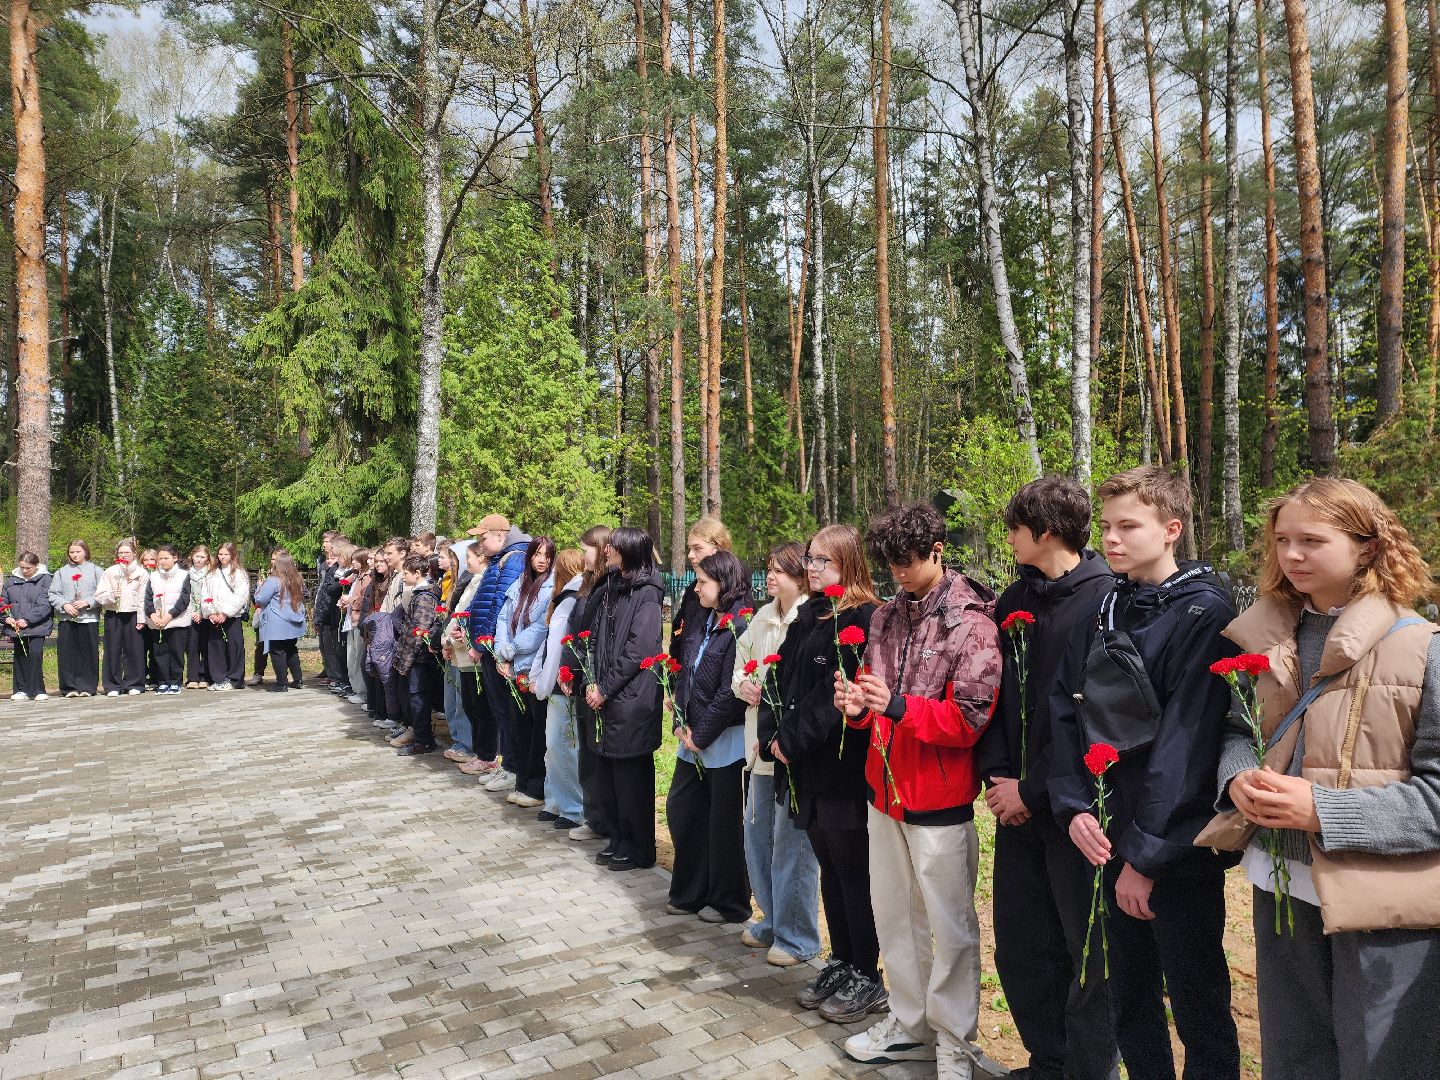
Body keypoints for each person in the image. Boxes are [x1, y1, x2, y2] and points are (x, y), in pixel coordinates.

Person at [1205, 478, 1440, 1080]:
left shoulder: (1423, 651)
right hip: (1282, 888)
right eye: (1282, 540)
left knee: (1381, 1062)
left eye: (1312, 540)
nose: (1291, 555)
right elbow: (1239, 730)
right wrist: (1238, 779)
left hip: (1382, 903)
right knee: (1294, 1058)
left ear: (1367, 546)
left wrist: (1324, 811)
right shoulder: (1266, 634)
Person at [1049, 465, 1241, 1080]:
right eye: (1105, 527)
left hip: (1174, 848)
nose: (1110, 539)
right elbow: (1064, 708)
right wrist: (1074, 805)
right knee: (1129, 999)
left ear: (1171, 529)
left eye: (1128, 526)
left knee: (1196, 1004)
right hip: (1105, 831)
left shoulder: (1205, 614)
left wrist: (1145, 859)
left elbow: (1186, 744)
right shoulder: (1106, 603)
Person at [834, 503, 1003, 1077]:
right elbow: (872, 692)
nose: (899, 573)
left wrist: (898, 707)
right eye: (890, 564)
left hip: (939, 798)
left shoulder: (971, 621)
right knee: (894, 918)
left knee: (949, 927)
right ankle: (909, 1026)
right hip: (883, 791)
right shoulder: (885, 617)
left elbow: (971, 719)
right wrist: (857, 708)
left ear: (937, 550)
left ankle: (955, 1042)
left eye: (908, 562)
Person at [974, 477, 1118, 1080]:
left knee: (1082, 950)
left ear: (1047, 532)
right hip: (1017, 808)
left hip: (1077, 812)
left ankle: (1088, 1070)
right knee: (1023, 945)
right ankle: (1047, 1062)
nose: (1007, 537)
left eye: (1014, 527)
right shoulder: (1015, 600)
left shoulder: (1105, 600)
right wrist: (998, 778)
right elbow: (996, 697)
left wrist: (1035, 792)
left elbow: (1098, 719)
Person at [760, 524, 882, 1025]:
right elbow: (778, 677)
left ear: (849, 565)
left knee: (853, 871)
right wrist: (772, 732)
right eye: (809, 559)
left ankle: (867, 974)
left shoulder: (863, 618)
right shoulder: (810, 614)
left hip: (839, 767)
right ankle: (843, 958)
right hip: (803, 767)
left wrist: (789, 740)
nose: (811, 569)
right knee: (828, 867)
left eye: (822, 561)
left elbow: (835, 694)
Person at [732, 541, 820, 967]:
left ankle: (798, 936)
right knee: (758, 841)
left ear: (800, 576)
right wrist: (742, 685)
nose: (771, 576)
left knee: (793, 848)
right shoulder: (761, 619)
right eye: (768, 569)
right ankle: (770, 919)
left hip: (788, 751)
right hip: (757, 748)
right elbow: (741, 664)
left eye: (781, 570)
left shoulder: (809, 618)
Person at [665, 549, 752, 923]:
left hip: (723, 742)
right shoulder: (703, 617)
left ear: (724, 584)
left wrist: (701, 734)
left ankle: (728, 902)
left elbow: (730, 691)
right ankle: (690, 891)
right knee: (684, 812)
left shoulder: (740, 625)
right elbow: (688, 671)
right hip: (693, 737)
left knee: (723, 826)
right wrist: (679, 715)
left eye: (702, 582)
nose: (696, 589)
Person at [585, 526, 665, 872]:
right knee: (611, 779)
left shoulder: (647, 591)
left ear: (629, 551)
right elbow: (601, 638)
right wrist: (594, 682)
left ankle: (639, 848)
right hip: (608, 694)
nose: (606, 551)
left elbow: (639, 649)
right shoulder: (614, 586)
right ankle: (619, 840)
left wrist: (606, 687)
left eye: (613, 547)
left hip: (631, 699)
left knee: (632, 780)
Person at [466, 515, 533, 793]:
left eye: (483, 536)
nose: (480, 542)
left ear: (499, 535)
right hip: (489, 645)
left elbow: (499, 606)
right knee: (499, 710)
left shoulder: (514, 559)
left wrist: (483, 643)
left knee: (506, 713)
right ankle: (507, 765)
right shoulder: (499, 559)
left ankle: (512, 768)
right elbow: (481, 600)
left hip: (498, 647)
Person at [494, 537, 557, 807]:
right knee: (518, 729)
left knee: (536, 732)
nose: (541, 559)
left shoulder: (553, 587)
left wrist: (509, 650)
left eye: (547, 555)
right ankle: (521, 781)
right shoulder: (519, 583)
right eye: (537, 554)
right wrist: (500, 651)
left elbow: (541, 628)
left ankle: (535, 787)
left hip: (532, 667)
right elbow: (502, 619)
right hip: (512, 665)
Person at [529, 547, 587, 828]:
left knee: (561, 745)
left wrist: (543, 681)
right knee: (554, 747)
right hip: (554, 683)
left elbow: (557, 649)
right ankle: (555, 801)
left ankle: (573, 808)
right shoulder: (565, 599)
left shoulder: (570, 599)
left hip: (560, 684)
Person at [562, 525, 613, 841]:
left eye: (588, 548)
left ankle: (604, 819)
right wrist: (568, 671)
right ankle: (593, 817)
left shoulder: (607, 587)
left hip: (597, 680)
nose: (583, 555)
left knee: (598, 755)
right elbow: (573, 630)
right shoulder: (586, 584)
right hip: (580, 677)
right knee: (586, 754)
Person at [389, 553, 442, 756]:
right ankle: (421, 737)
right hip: (413, 657)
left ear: (417, 573)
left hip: (418, 659)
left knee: (419, 700)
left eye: (406, 573)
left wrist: (406, 660)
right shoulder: (419, 594)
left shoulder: (425, 597)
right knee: (413, 700)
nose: (403, 577)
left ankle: (423, 741)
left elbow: (418, 631)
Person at [670, 517, 732, 658]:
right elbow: (679, 629)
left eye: (697, 548)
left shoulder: (736, 587)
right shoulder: (693, 589)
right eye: (689, 549)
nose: (690, 555)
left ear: (718, 547)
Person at [49, 540, 103, 698]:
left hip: (89, 618)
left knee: (88, 653)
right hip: (67, 619)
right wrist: (64, 605)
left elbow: (104, 593)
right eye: (72, 552)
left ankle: (88, 686)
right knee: (67, 654)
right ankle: (69, 687)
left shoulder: (96, 570)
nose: (74, 555)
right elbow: (53, 594)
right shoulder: (61, 572)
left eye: (78, 551)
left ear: (85, 551)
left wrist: (88, 602)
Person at [95, 538, 147, 696]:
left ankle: (135, 683)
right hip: (114, 614)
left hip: (133, 615)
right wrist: (112, 595)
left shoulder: (141, 572)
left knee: (134, 649)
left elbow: (144, 598)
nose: (124, 555)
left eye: (127, 553)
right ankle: (112, 685)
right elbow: (99, 596)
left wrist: (142, 618)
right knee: (113, 649)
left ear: (134, 554)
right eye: (121, 553)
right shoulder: (110, 571)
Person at [253, 550, 308, 692]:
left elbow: (260, 599)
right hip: (293, 621)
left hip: (277, 622)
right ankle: (298, 680)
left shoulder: (273, 580)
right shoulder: (297, 579)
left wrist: (259, 586)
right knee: (291, 650)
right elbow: (305, 594)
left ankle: (281, 683)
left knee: (277, 651)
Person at [144, 544, 193, 696]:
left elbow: (183, 600)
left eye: (166, 558)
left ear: (175, 558)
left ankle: (175, 682)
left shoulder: (184, 575)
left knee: (176, 653)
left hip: (176, 621)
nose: (163, 561)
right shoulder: (153, 576)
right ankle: (163, 682)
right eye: (160, 559)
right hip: (157, 622)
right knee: (160, 653)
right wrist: (152, 615)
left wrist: (168, 616)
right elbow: (147, 599)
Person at [4, 552, 53, 701]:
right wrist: (7, 617)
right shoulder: (11, 580)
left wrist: (27, 619)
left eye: (28, 568)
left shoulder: (46, 579)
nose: (25, 571)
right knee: (20, 656)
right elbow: (3, 601)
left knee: (35, 654)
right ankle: (21, 689)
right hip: (16, 626)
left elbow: (45, 604)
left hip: (37, 625)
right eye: (22, 567)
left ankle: (38, 689)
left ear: (36, 566)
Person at [202, 542, 250, 692]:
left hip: (231, 616)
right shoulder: (211, 573)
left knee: (234, 647)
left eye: (226, 554)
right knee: (215, 647)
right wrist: (210, 612)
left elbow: (240, 596)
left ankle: (235, 679)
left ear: (232, 555)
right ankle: (218, 678)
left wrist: (225, 613)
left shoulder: (238, 573)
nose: (222, 557)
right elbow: (205, 594)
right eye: (220, 554)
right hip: (214, 616)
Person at [342, 548, 371, 706]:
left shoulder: (366, 578)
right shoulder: (356, 576)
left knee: (358, 655)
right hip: (351, 618)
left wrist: (350, 599)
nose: (352, 562)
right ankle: (354, 688)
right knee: (351, 655)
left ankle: (361, 691)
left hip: (358, 619)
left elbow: (364, 599)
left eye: (356, 560)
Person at [184, 545, 213, 689]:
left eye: (202, 557)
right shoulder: (186, 574)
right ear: (192, 556)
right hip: (191, 614)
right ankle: (192, 677)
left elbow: (210, 595)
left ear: (207, 559)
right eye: (196, 556)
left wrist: (202, 612)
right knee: (192, 646)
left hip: (206, 614)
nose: (199, 559)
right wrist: (192, 612)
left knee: (206, 645)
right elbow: (185, 595)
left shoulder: (210, 574)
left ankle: (205, 676)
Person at [139, 548, 161, 690]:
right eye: (145, 560)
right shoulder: (138, 574)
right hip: (141, 618)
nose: (148, 563)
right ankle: (143, 676)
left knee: (156, 649)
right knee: (141, 649)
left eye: (152, 559)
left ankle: (155, 677)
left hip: (156, 616)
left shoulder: (159, 575)